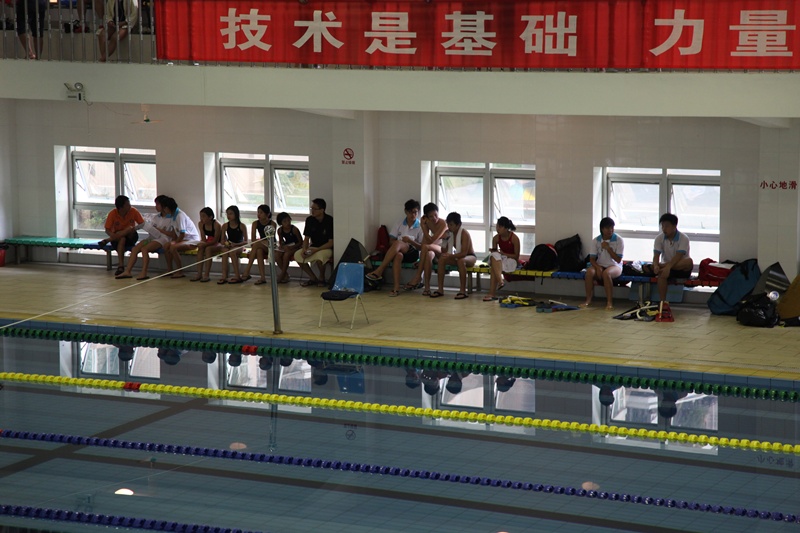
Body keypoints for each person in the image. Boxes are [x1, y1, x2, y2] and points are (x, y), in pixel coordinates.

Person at [366, 199, 424, 297]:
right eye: (410, 212)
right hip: (400, 251)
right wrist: (400, 242)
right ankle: (396, 288)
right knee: (398, 255)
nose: (413, 215)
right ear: (406, 212)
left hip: (413, 254)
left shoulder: (420, 226)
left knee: (398, 243)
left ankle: (380, 270)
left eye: (415, 212)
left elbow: (421, 247)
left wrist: (410, 241)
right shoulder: (399, 223)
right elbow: (391, 241)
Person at [115, 195, 172, 280]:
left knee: (144, 249)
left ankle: (144, 272)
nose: (156, 206)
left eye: (157, 204)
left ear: (163, 205)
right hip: (152, 237)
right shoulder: (156, 217)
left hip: (162, 239)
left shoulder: (171, 218)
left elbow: (171, 233)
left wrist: (158, 230)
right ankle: (127, 271)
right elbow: (152, 228)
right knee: (135, 248)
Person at [404, 202, 447, 296]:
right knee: (428, 255)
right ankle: (427, 288)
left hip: (444, 249)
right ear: (426, 217)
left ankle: (418, 276)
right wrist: (425, 226)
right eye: (431, 216)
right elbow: (425, 241)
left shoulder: (443, 223)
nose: (434, 218)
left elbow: (431, 240)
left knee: (426, 247)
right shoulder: (427, 222)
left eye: (436, 215)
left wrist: (423, 227)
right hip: (433, 248)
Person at [651, 213, 693, 307]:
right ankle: (663, 303)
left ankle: (663, 266)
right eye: (662, 226)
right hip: (667, 269)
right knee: (661, 274)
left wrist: (667, 267)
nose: (664, 229)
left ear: (674, 226)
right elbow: (656, 256)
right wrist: (656, 265)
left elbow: (678, 256)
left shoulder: (683, 238)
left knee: (689, 262)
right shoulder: (659, 238)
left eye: (667, 226)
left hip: (682, 269)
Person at [582, 217, 624, 310]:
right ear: (602, 229)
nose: (610, 230)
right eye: (608, 228)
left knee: (606, 274)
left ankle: (609, 302)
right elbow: (592, 259)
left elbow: (618, 260)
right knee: (589, 272)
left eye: (612, 227)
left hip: (615, 266)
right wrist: (598, 267)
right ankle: (588, 300)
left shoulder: (619, 240)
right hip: (600, 264)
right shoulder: (596, 240)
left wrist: (608, 249)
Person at [432, 212, 476, 299]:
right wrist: (444, 240)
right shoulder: (449, 233)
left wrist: (450, 256)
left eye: (451, 225)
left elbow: (464, 253)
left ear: (458, 225)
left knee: (461, 261)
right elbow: (443, 251)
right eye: (448, 224)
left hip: (470, 257)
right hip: (457, 256)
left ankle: (462, 291)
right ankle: (440, 289)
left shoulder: (464, 233)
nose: (449, 227)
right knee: (442, 259)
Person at [99, 195, 144, 276]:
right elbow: (107, 229)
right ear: (121, 207)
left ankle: (107, 240)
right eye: (127, 204)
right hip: (116, 239)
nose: (130, 205)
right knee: (122, 238)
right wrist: (113, 236)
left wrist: (134, 229)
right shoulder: (113, 213)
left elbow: (142, 224)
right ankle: (121, 266)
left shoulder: (133, 211)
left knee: (129, 228)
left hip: (131, 236)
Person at [295, 198, 334, 287]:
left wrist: (316, 250)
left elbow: (331, 242)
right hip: (313, 246)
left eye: (315, 209)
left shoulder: (329, 220)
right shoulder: (310, 220)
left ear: (322, 210)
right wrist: (304, 249)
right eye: (311, 208)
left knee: (320, 257)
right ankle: (313, 278)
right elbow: (306, 238)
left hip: (326, 248)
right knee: (298, 255)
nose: (312, 211)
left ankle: (322, 278)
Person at [162, 197, 201, 278]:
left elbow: (182, 234)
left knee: (173, 247)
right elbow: (175, 233)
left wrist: (175, 243)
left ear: (167, 208)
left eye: (164, 208)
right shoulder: (172, 216)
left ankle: (180, 271)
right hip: (184, 239)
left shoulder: (179, 216)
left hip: (192, 240)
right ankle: (170, 269)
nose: (164, 211)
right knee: (166, 246)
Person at [484, 216, 520, 302]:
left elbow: (516, 256)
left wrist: (503, 254)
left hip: (511, 260)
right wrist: (494, 251)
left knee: (494, 266)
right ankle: (500, 282)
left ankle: (492, 293)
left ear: (506, 228)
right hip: (500, 260)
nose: (497, 229)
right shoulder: (496, 238)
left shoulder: (514, 238)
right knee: (494, 256)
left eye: (500, 227)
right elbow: (496, 254)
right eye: (497, 226)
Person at [242, 204, 277, 285]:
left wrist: (260, 242)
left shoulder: (272, 223)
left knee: (257, 245)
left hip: (271, 245)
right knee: (258, 251)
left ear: (267, 214)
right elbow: (253, 239)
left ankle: (247, 271)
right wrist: (260, 242)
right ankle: (262, 277)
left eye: (261, 213)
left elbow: (270, 239)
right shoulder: (255, 223)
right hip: (260, 245)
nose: (258, 214)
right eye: (258, 212)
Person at [217, 205, 248, 284]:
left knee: (232, 252)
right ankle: (224, 276)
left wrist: (236, 244)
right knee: (224, 251)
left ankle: (237, 276)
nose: (228, 216)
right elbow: (222, 240)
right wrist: (226, 243)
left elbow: (246, 241)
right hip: (230, 245)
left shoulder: (242, 226)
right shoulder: (225, 226)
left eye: (231, 214)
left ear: (236, 214)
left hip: (239, 245)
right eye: (227, 214)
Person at [190, 207, 222, 282]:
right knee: (200, 249)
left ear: (210, 217)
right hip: (209, 241)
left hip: (219, 243)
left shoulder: (217, 225)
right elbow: (203, 239)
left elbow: (216, 240)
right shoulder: (201, 224)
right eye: (200, 216)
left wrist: (204, 244)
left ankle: (206, 274)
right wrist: (198, 244)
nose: (201, 218)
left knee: (208, 249)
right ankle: (199, 274)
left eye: (203, 216)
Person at [274, 212, 302, 284]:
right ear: (281, 223)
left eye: (288, 220)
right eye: (285, 221)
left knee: (286, 255)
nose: (287, 223)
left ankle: (282, 274)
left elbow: (300, 242)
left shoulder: (294, 229)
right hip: (287, 246)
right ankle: (285, 274)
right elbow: (281, 241)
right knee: (277, 255)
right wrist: (282, 246)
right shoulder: (280, 230)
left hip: (296, 246)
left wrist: (291, 247)